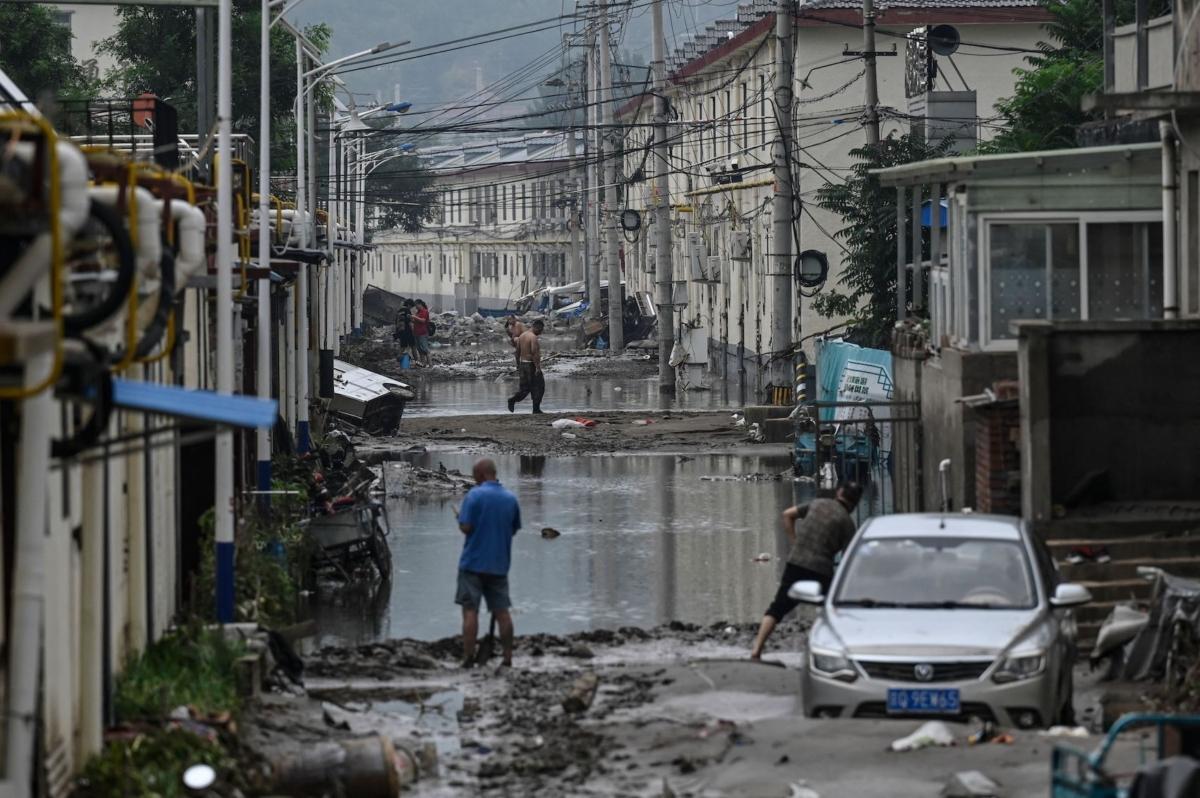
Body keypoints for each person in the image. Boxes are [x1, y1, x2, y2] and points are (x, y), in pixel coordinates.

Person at [749, 480, 864, 660]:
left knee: (777, 608)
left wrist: (795, 542)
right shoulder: (847, 523)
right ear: (855, 503)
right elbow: (848, 559)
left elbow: (787, 515)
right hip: (822, 570)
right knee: (832, 610)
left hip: (796, 562)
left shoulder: (817, 504)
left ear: (839, 492)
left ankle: (757, 650)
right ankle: (833, 652)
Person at [455, 458, 521, 668]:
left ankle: (468, 657)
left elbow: (466, 527)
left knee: (470, 610)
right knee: (502, 612)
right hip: (499, 565)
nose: (474, 482)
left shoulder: (474, 496)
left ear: (482, 475)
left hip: (472, 563)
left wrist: (459, 520)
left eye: (475, 478)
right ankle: (508, 657)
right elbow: (513, 528)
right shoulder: (510, 499)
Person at [507, 320, 544, 414]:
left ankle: (513, 399)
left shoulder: (522, 336)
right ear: (537, 327)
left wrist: (518, 366)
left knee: (524, 388)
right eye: (541, 330)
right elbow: (534, 353)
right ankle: (536, 409)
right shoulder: (533, 338)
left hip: (523, 364)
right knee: (539, 387)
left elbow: (517, 353)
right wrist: (537, 368)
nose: (541, 332)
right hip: (531, 365)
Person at [394, 299, 418, 366]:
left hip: (400, 332)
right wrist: (414, 331)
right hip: (407, 331)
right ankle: (417, 362)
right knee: (413, 346)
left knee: (402, 347)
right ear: (409, 305)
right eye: (411, 306)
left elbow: (396, 322)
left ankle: (398, 362)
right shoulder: (407, 310)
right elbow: (409, 322)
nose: (411, 308)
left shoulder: (399, 311)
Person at [412, 299, 432, 366]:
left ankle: (430, 364)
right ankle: (423, 364)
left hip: (422, 333)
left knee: (425, 349)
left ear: (420, 304)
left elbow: (423, 320)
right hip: (416, 333)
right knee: (420, 349)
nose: (416, 307)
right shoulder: (418, 312)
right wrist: (412, 319)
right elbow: (416, 321)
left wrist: (414, 317)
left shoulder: (424, 311)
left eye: (416, 305)